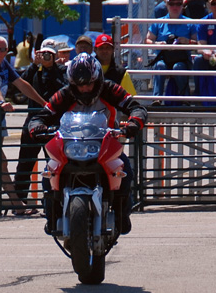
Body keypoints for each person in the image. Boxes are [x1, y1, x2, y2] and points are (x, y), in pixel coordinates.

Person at [34, 54, 146, 236]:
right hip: (70, 145)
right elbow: (43, 114)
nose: (84, 89)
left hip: (105, 145)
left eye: (89, 84)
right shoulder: (64, 94)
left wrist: (134, 123)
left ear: (98, 80)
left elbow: (136, 107)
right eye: (80, 85)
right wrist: (36, 126)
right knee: (49, 172)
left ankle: (122, 215)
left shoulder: (110, 89)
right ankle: (51, 214)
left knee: (127, 173)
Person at [0, 35, 47, 205]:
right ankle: (16, 204)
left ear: (7, 51)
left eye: (3, 49)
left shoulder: (4, 64)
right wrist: (2, 102)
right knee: (0, 161)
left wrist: (44, 103)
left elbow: (22, 84)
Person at [15, 38, 68, 213]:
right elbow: (20, 84)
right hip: (33, 121)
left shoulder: (62, 71)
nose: (46, 58)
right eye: (43, 54)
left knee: (53, 163)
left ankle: (52, 202)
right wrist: (34, 65)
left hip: (53, 123)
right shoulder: (33, 71)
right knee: (25, 162)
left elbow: (65, 88)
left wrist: (54, 69)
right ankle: (19, 201)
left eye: (49, 55)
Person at [146, 0, 198, 97]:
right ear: (167, 5)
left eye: (178, 3)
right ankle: (157, 99)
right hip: (162, 57)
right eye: (171, 3)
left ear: (182, 5)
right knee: (160, 66)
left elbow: (198, 43)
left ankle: (185, 98)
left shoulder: (190, 22)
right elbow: (148, 39)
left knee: (178, 67)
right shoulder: (158, 22)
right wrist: (157, 43)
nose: (175, 6)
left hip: (182, 59)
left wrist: (186, 41)